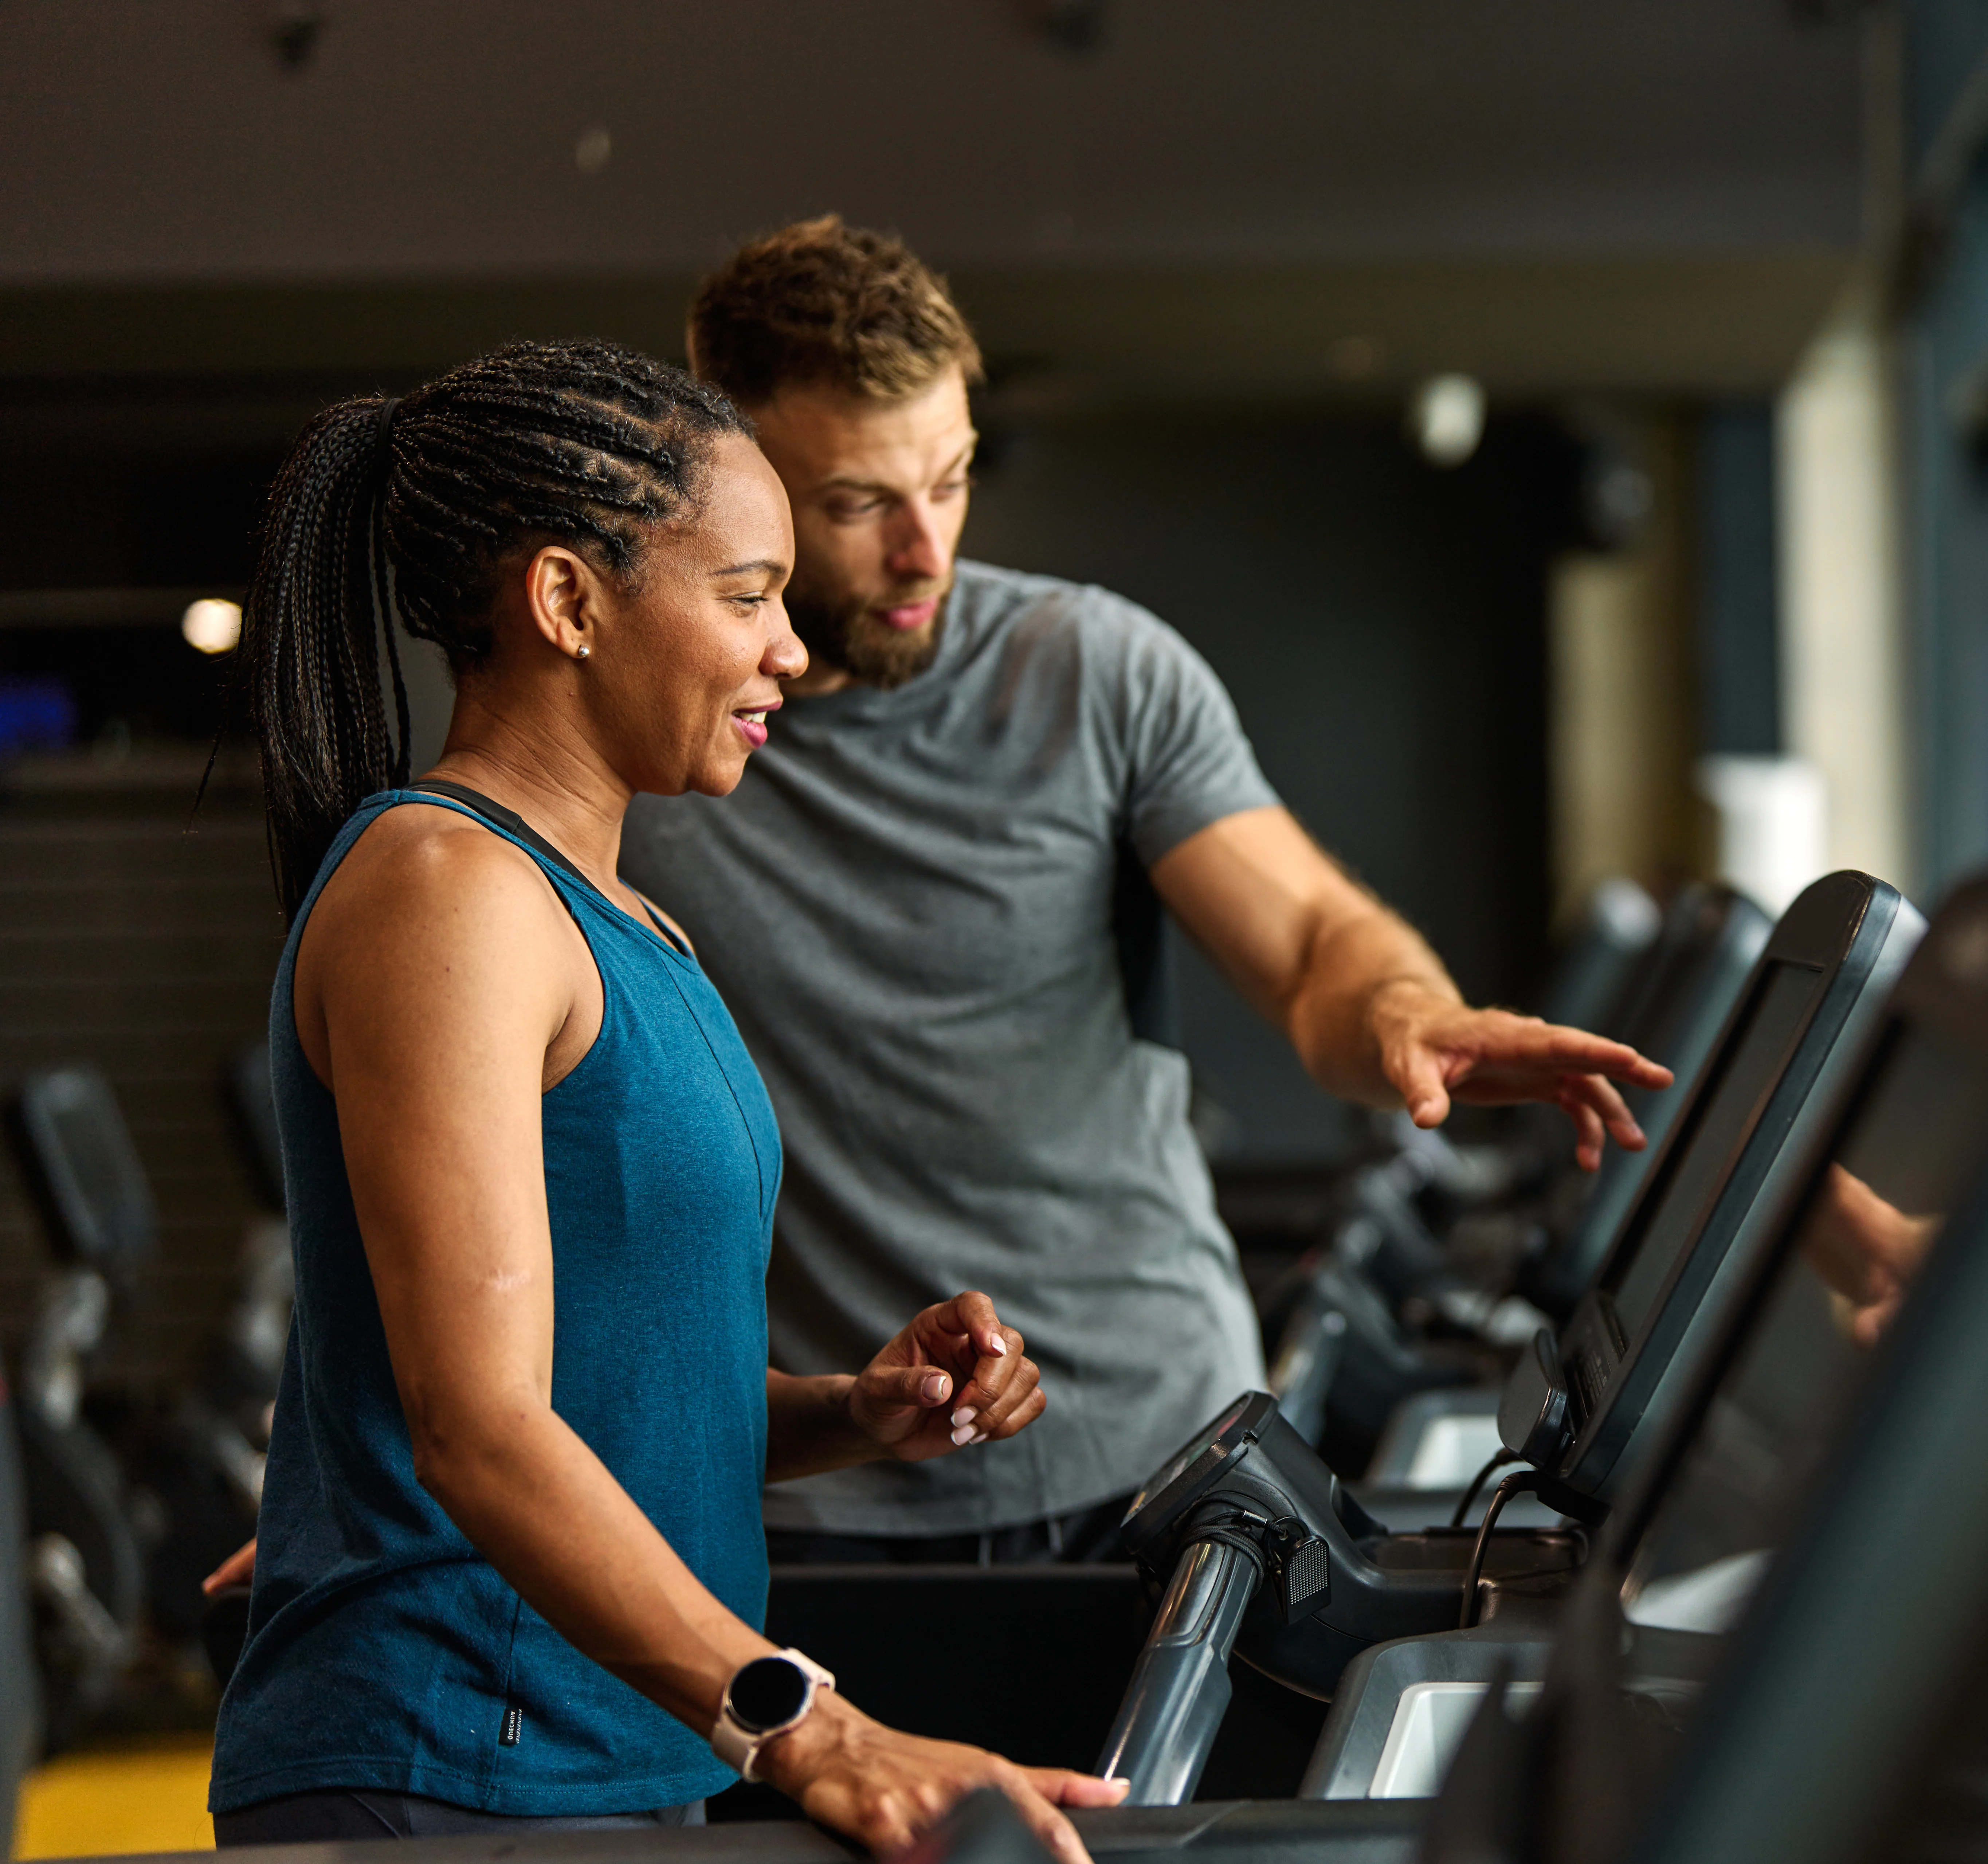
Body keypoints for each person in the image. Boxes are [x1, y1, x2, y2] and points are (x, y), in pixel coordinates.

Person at [617, 218, 1673, 1563]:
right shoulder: (646, 744)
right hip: (812, 1502)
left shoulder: (1094, 669)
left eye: (951, 481)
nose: (926, 549)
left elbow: (1303, 941)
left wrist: (1405, 1009)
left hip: (1153, 1458)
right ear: (740, 480)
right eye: (857, 504)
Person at [204, 340, 1122, 1859]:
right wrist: (816, 1733)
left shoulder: (621, 920)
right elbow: (481, 1431)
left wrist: (855, 1412)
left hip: (611, 1748)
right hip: (448, 1758)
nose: (792, 656)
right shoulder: (449, 892)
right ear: (567, 602)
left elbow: (601, 1389)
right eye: (746, 595)